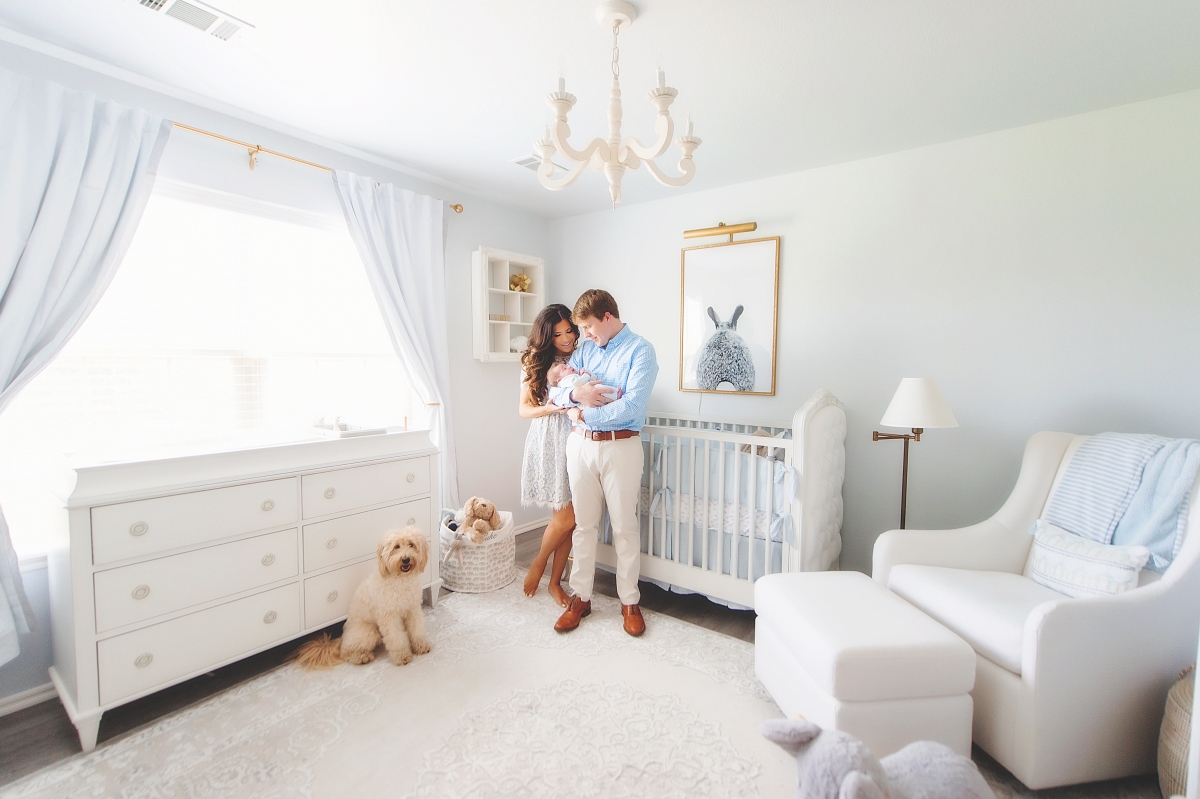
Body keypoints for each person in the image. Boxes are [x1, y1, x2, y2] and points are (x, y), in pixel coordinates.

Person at [548, 289, 658, 637]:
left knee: (625, 528)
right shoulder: (583, 350)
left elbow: (631, 408)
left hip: (620, 447)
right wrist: (576, 398)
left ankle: (629, 601)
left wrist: (580, 413)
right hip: (579, 447)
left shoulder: (641, 351)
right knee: (584, 526)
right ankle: (581, 597)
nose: (585, 335)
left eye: (589, 327)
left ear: (607, 317)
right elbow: (555, 392)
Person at [518, 304, 581, 607]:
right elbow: (524, 409)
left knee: (572, 519)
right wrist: (552, 408)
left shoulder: (580, 354)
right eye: (558, 334)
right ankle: (539, 562)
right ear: (547, 336)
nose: (567, 338)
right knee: (565, 516)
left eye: (569, 330)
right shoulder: (535, 361)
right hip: (549, 440)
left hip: (576, 437)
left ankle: (556, 584)